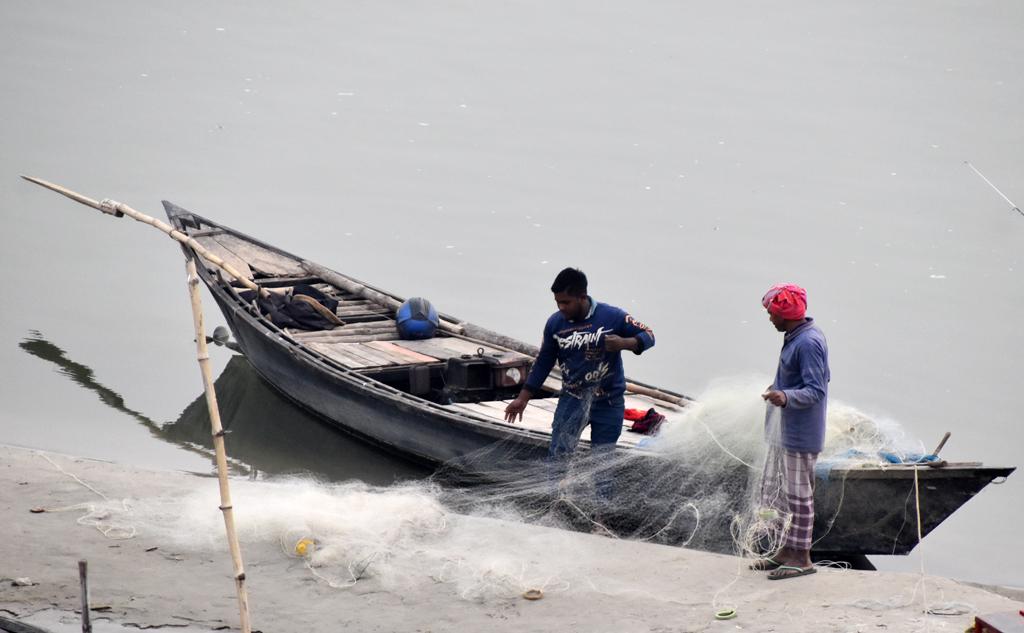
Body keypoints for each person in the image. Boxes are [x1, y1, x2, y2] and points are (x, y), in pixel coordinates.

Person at [503, 268, 656, 492]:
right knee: (559, 459)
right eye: (558, 303)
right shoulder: (555, 324)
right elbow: (544, 361)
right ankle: (555, 507)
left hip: (609, 402)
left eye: (566, 302)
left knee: (602, 464)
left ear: (582, 297)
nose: (561, 308)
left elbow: (649, 336)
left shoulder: (613, 316)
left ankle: (600, 519)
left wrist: (625, 343)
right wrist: (523, 399)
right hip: (572, 399)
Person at [755, 283, 830, 580]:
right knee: (782, 495)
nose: (770, 319)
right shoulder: (794, 337)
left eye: (772, 314)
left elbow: (816, 390)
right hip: (786, 430)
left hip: (801, 433)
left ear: (785, 314)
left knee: (799, 496)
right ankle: (787, 550)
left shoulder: (808, 343)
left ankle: (802, 558)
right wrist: (778, 389)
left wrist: (785, 397)